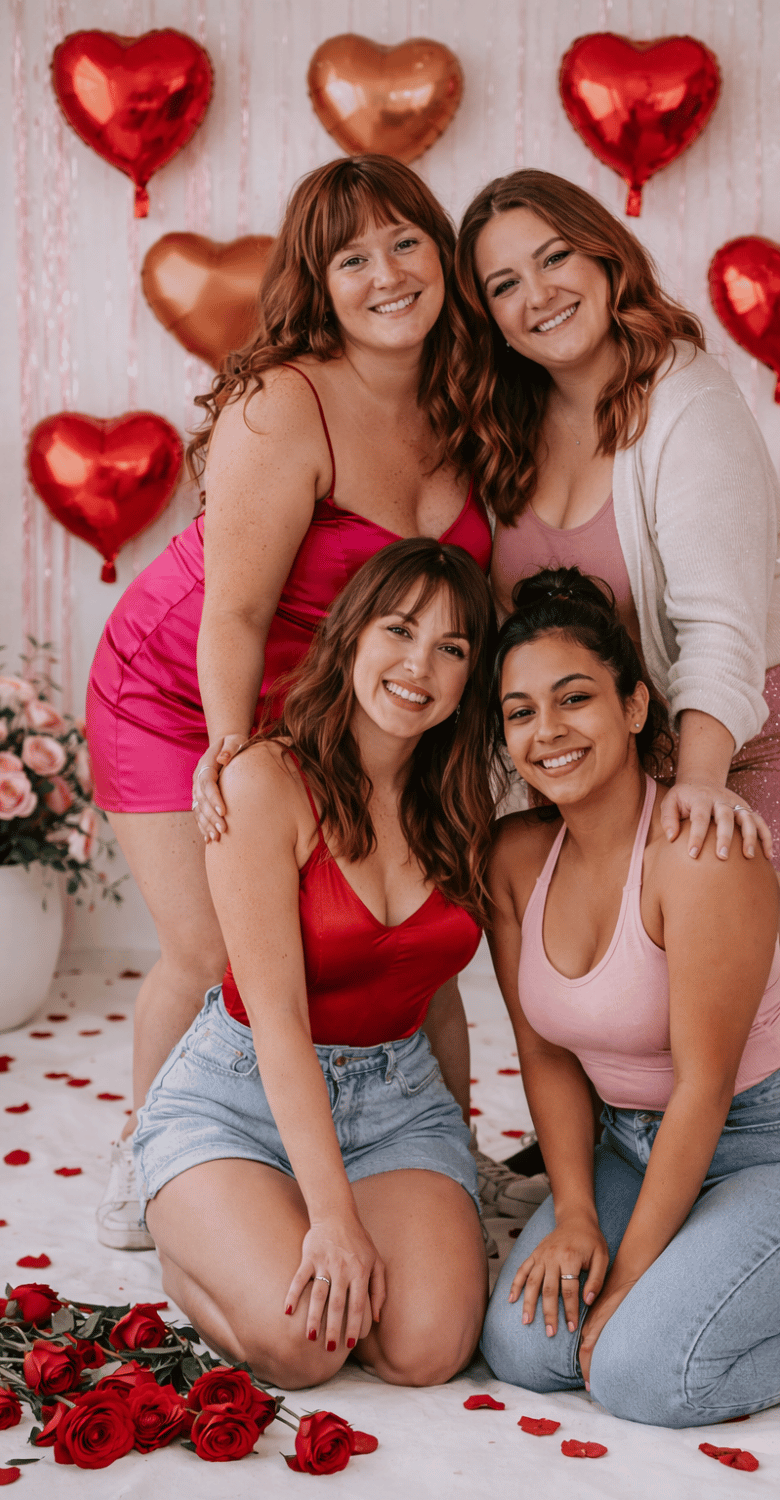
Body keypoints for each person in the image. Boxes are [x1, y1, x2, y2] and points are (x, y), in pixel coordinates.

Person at [85, 156, 540, 1248]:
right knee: (215, 947)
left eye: (405, 243)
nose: (385, 274)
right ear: (319, 283)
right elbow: (234, 616)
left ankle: (437, 1146)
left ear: (442, 254)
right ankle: (149, 1148)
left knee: (421, 933)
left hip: (367, 699)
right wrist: (237, 759)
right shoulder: (283, 404)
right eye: (351, 258)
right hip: (186, 690)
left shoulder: (475, 392)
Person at [479, 568, 780, 1426]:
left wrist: (627, 1279)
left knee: (640, 1375)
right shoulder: (515, 859)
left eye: (574, 699)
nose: (548, 732)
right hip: (631, 1149)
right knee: (527, 1353)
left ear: (636, 707)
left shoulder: (701, 851)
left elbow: (704, 1088)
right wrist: (572, 1212)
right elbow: (545, 1055)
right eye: (522, 712)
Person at [451, 169, 780, 953]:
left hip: (761, 731)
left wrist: (701, 782)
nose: (538, 294)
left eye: (555, 257)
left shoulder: (686, 403)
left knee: (710, 995)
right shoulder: (499, 426)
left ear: (607, 259)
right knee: (603, 989)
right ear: (491, 320)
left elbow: (718, 624)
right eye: (505, 284)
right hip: (621, 741)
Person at [135, 539, 493, 1389]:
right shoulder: (264, 782)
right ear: (352, 637)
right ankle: (184, 1239)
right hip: (241, 1095)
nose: (420, 666)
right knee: (303, 1350)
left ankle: (287, 1229)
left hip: (397, 1102)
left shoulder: (465, 802)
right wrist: (332, 1220)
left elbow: (437, 996)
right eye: (399, 631)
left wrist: (460, 1152)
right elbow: (279, 1019)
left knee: (425, 1352)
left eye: (452, 648)